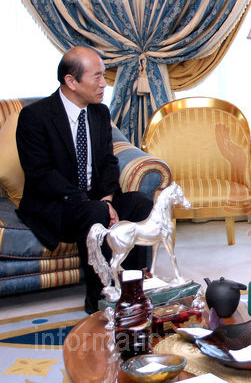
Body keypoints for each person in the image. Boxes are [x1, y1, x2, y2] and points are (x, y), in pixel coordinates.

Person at [16, 46, 153, 314]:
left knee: (140, 203)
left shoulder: (99, 113)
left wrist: (108, 199)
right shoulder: (35, 117)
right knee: (94, 212)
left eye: (104, 75)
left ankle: (132, 290)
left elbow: (108, 163)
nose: (104, 84)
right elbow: (41, 174)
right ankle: (99, 298)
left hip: (96, 200)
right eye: (97, 76)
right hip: (57, 205)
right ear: (71, 81)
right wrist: (93, 204)